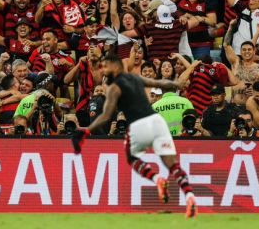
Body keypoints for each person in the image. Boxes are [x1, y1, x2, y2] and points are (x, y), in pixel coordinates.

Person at [72, 54, 198, 218]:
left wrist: (87, 130)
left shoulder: (115, 87)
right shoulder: (135, 78)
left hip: (139, 125)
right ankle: (190, 196)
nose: (103, 70)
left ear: (115, 66)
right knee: (173, 165)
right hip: (157, 122)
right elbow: (160, 83)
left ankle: (157, 178)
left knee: (131, 157)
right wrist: (177, 85)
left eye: (105, 66)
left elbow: (105, 115)